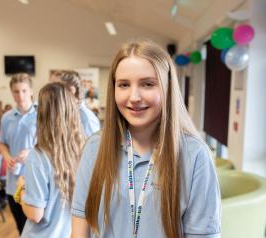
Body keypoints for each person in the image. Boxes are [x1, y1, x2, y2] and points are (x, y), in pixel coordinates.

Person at [71, 40, 221, 238]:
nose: (134, 96)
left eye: (147, 84)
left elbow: (202, 233)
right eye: (124, 85)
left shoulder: (195, 156)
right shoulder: (95, 147)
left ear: (167, 88)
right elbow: (80, 227)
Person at [15, 82, 85, 237]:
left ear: (42, 113)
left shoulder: (38, 155)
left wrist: (21, 189)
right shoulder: (83, 150)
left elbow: (35, 214)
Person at [0, 73, 37, 235]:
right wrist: (8, 158)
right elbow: (2, 143)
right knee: (21, 229)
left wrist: (32, 151)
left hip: (35, 181)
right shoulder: (7, 117)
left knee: (36, 229)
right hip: (13, 182)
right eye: (16, 91)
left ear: (31, 91)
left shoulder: (42, 114)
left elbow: (52, 145)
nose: (20, 95)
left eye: (23, 90)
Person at [52, 70, 100, 137]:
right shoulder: (66, 113)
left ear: (71, 90)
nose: (50, 92)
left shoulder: (87, 119)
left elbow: (94, 146)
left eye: (54, 88)